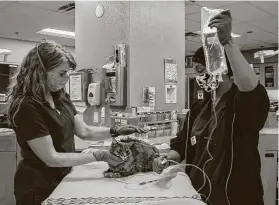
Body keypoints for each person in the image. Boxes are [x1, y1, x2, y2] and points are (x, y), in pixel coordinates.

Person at [7, 41, 145, 205]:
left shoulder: (60, 97)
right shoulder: (27, 107)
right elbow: (51, 158)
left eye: (68, 73)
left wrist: (116, 130)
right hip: (38, 184)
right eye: (62, 73)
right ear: (41, 71)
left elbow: (85, 131)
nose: (66, 79)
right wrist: (98, 155)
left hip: (63, 176)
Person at [154, 10, 270, 205]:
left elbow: (251, 89)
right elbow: (182, 144)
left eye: (201, 70)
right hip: (198, 193)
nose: (199, 77)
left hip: (234, 195)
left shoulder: (240, 104)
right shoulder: (199, 109)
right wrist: (167, 159)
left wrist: (227, 42)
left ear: (219, 68)